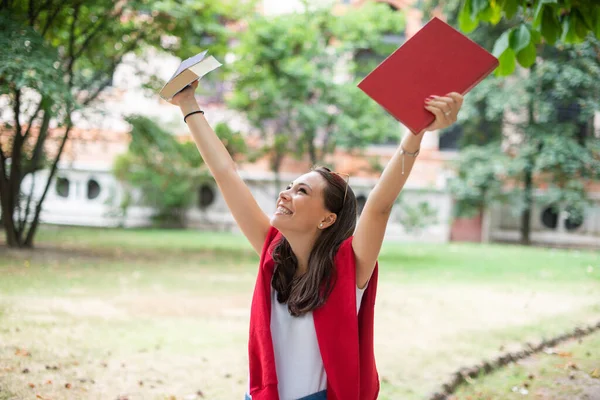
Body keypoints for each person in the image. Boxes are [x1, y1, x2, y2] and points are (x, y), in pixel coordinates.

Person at [170, 81, 463, 400]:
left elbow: (379, 205)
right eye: (291, 185)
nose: (285, 194)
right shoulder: (273, 255)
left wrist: (416, 132)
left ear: (327, 218)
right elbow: (225, 174)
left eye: (302, 191)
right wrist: (188, 103)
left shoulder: (350, 269)